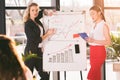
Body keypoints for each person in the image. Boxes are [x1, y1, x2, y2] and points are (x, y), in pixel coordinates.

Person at [23, 2, 55, 80]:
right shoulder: (27, 24)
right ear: (29, 11)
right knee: (27, 76)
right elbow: (35, 40)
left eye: (36, 10)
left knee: (45, 76)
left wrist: (47, 12)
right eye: (33, 10)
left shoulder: (37, 21)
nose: (35, 12)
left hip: (38, 51)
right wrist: (47, 34)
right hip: (30, 52)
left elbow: (42, 11)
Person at [86, 5, 111, 80]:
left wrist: (94, 40)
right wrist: (88, 39)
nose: (91, 16)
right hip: (92, 51)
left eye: (93, 13)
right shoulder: (94, 25)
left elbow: (109, 42)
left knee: (91, 75)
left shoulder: (104, 25)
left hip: (99, 52)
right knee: (96, 75)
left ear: (99, 13)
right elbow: (93, 39)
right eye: (90, 14)